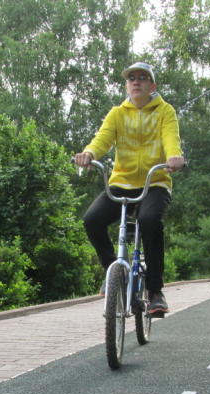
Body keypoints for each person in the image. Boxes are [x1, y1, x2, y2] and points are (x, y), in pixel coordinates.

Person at [74, 62, 185, 315]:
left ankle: (155, 291)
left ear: (152, 85)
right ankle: (114, 272)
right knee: (92, 220)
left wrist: (174, 158)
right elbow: (102, 139)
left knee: (149, 221)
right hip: (121, 182)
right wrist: (89, 153)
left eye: (143, 78)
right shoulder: (117, 113)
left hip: (154, 182)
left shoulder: (165, 112)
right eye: (132, 78)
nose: (136, 82)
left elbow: (170, 139)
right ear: (127, 85)